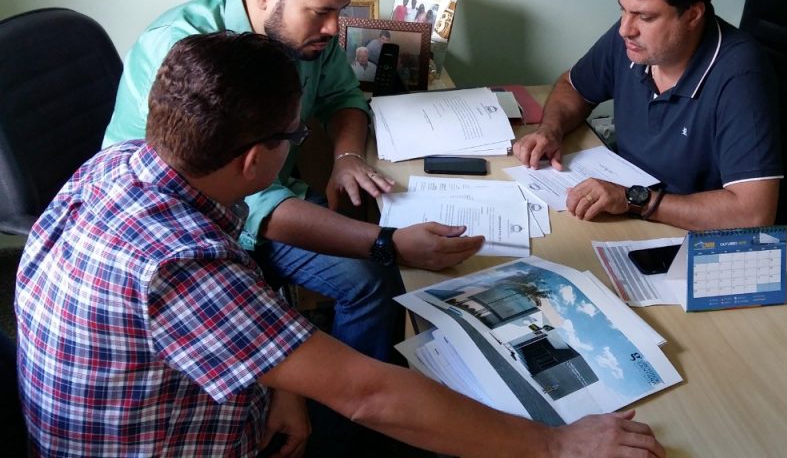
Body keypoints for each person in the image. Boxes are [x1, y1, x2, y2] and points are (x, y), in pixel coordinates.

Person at [16, 32, 665, 458]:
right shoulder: (179, 265)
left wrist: (284, 383)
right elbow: (366, 394)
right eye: (295, 138)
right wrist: (556, 446)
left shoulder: (123, 164)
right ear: (253, 161)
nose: (300, 144)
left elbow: (236, 295)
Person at [102, 0, 483, 370]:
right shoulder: (186, 52)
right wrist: (387, 243)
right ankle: (342, 405)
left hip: (267, 191)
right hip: (184, 232)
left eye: (339, 11)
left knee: (376, 264)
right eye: (321, 12)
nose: (333, 28)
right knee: (373, 274)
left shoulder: (297, 28)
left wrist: (346, 157)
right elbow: (252, 203)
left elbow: (343, 95)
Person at [513, 0, 782, 231]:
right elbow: (573, 86)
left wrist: (635, 200)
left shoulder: (740, 74)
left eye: (646, 17)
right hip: (628, 210)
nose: (625, 29)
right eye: (624, 10)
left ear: (693, 15)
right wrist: (551, 131)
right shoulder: (634, 42)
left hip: (685, 233)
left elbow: (753, 214)